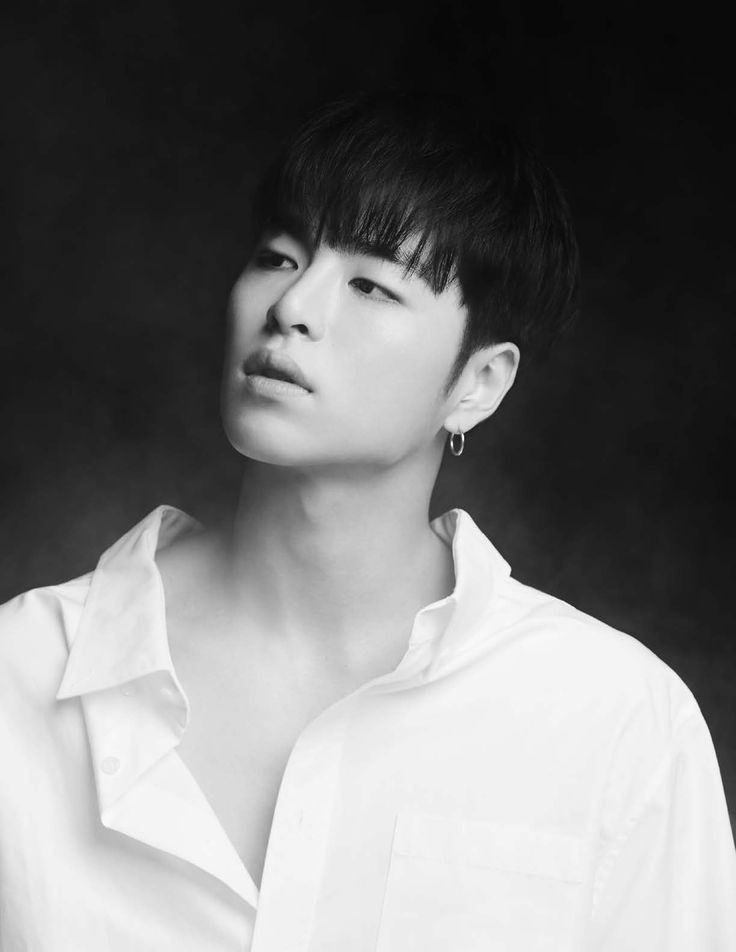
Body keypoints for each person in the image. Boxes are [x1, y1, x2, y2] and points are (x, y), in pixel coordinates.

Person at [1, 89, 734, 951]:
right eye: (278, 256)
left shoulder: (615, 721)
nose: (293, 306)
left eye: (371, 285)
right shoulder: (22, 675)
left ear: (479, 384)